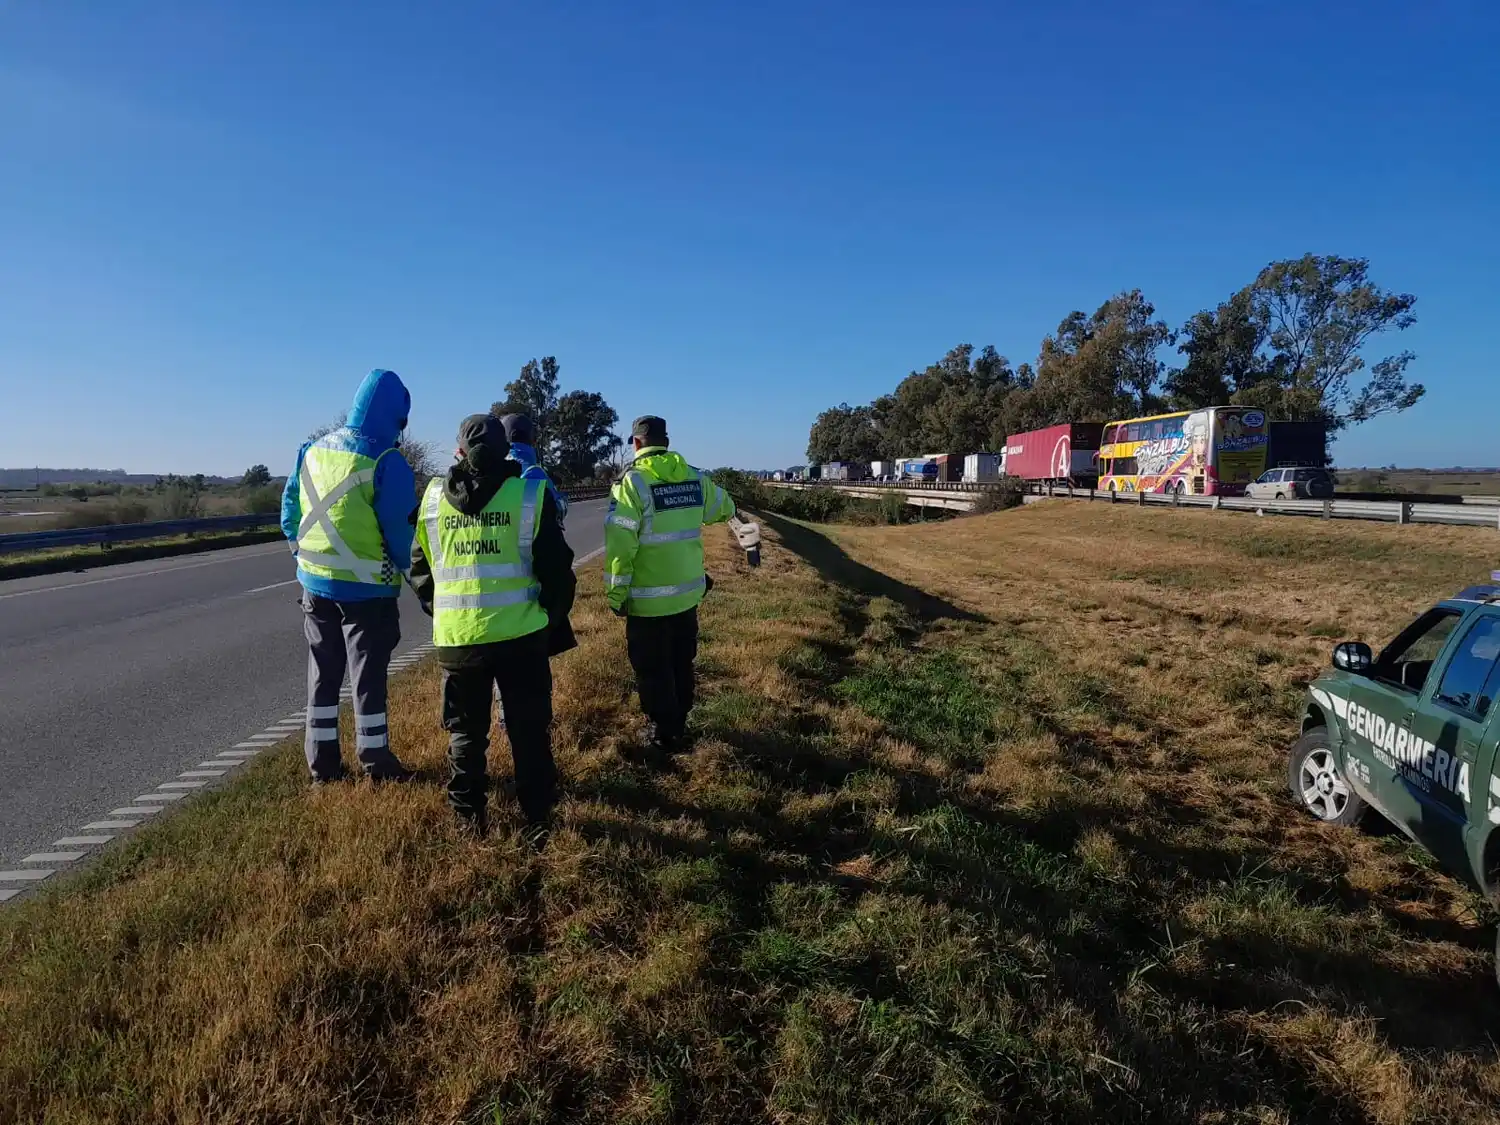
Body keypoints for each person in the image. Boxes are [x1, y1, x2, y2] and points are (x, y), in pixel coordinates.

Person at [410, 414, 576, 836]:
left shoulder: (432, 500)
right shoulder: (528, 496)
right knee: (528, 730)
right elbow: (558, 572)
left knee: (466, 734)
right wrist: (548, 619)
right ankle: (538, 819)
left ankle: (468, 820)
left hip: (459, 641)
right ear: (508, 450)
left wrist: (446, 612)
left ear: (459, 452)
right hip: (521, 637)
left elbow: (420, 572)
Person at [282, 369, 418, 785]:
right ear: (396, 418)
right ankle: (374, 760)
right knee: (367, 679)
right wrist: (422, 584)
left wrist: (303, 557)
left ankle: (322, 768)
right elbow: (402, 535)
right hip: (368, 593)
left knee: (323, 677)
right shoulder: (387, 461)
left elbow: (290, 512)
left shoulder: (312, 449)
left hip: (314, 585)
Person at [605, 415, 736, 752]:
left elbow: (622, 547)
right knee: (681, 660)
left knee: (653, 668)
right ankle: (679, 722)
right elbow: (726, 508)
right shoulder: (694, 478)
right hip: (687, 594)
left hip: (647, 602)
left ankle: (664, 733)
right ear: (667, 441)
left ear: (635, 443)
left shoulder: (632, 483)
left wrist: (616, 595)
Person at [497, 412, 569, 526]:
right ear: (531, 438)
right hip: (529, 541)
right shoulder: (533, 472)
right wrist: (563, 499)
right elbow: (558, 509)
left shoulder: (493, 468)